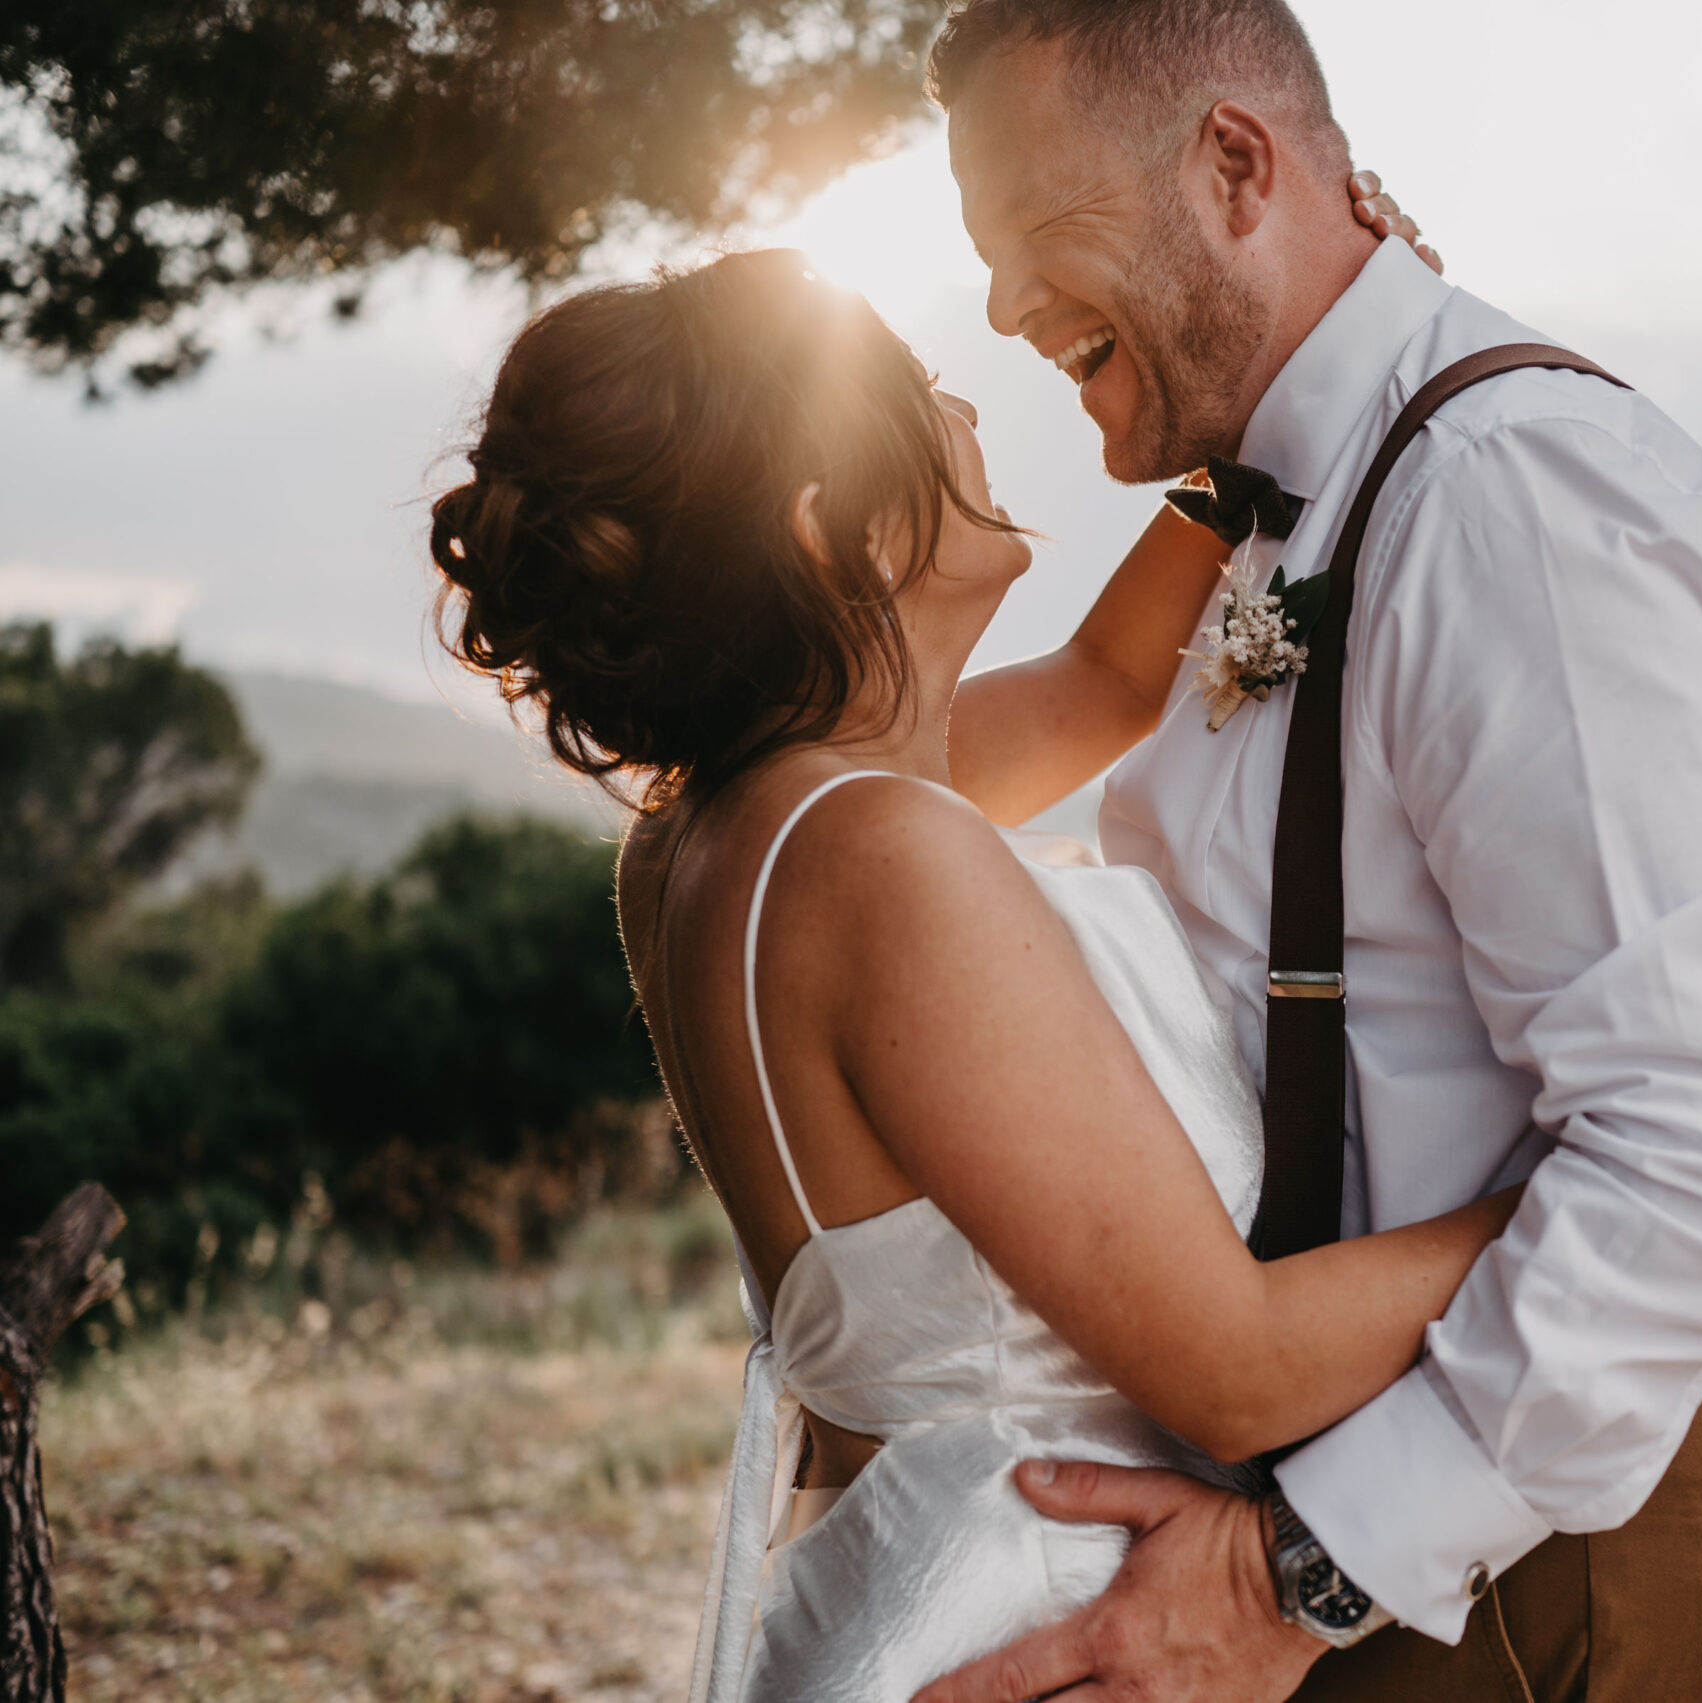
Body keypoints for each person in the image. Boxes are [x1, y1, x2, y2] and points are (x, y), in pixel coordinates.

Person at [426, 177, 1498, 1703]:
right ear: (835, 529)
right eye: (927, 399)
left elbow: (1113, 680)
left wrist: (1289, 385)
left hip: (919, 1586)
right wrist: (1590, 1197)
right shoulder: (873, 854)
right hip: (1047, 1619)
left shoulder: (729, 826)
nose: (971, 413)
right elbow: (1237, 1367)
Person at [917, 3, 1702, 1701]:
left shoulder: (1512, 500)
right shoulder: (1281, 492)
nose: (996, 309)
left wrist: (1295, 1577)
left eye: (1030, 233)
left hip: (1545, 1549)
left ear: (1232, 167)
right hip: (1392, 1516)